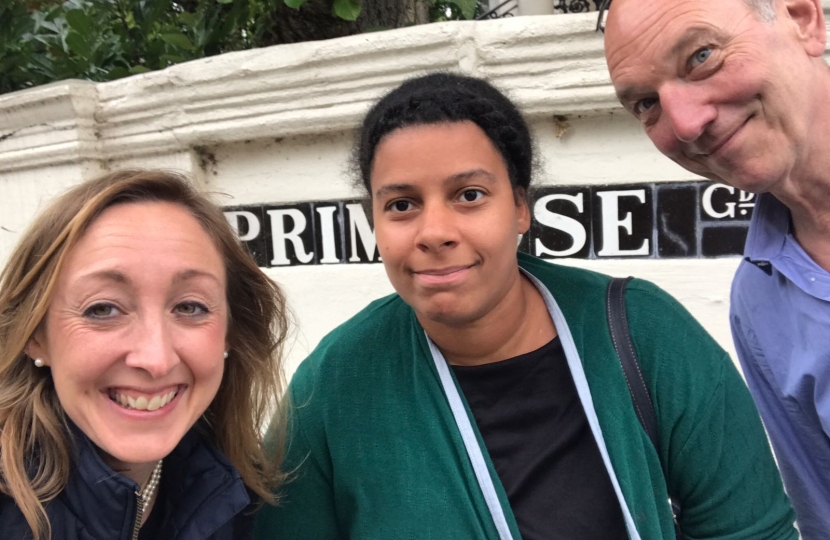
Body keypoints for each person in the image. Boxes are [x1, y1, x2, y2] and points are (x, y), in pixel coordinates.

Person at [254, 72, 796, 539]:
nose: (434, 232)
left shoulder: (641, 331)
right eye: (401, 205)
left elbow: (750, 528)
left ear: (519, 208)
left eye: (469, 195)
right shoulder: (336, 385)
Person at [602, 0, 830, 535]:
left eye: (702, 56)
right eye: (644, 104)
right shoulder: (759, 301)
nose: (684, 122)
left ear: (802, 19)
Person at [0, 169, 290, 540]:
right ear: (35, 335)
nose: (156, 360)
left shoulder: (238, 495)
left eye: (190, 307)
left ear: (231, 333)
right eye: (102, 309)